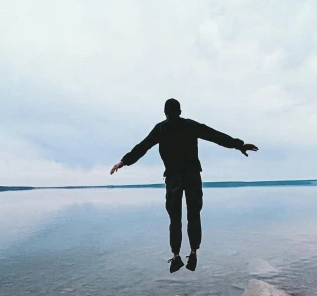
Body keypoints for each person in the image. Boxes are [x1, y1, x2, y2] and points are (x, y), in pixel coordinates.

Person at [110, 99, 258, 272]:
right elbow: (215, 135)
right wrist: (238, 145)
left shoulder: (161, 128)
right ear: (180, 111)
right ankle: (193, 253)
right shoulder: (189, 125)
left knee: (175, 218)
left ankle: (176, 256)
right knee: (193, 215)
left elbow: (142, 147)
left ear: (165, 112)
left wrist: (123, 161)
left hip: (174, 178)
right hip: (192, 176)